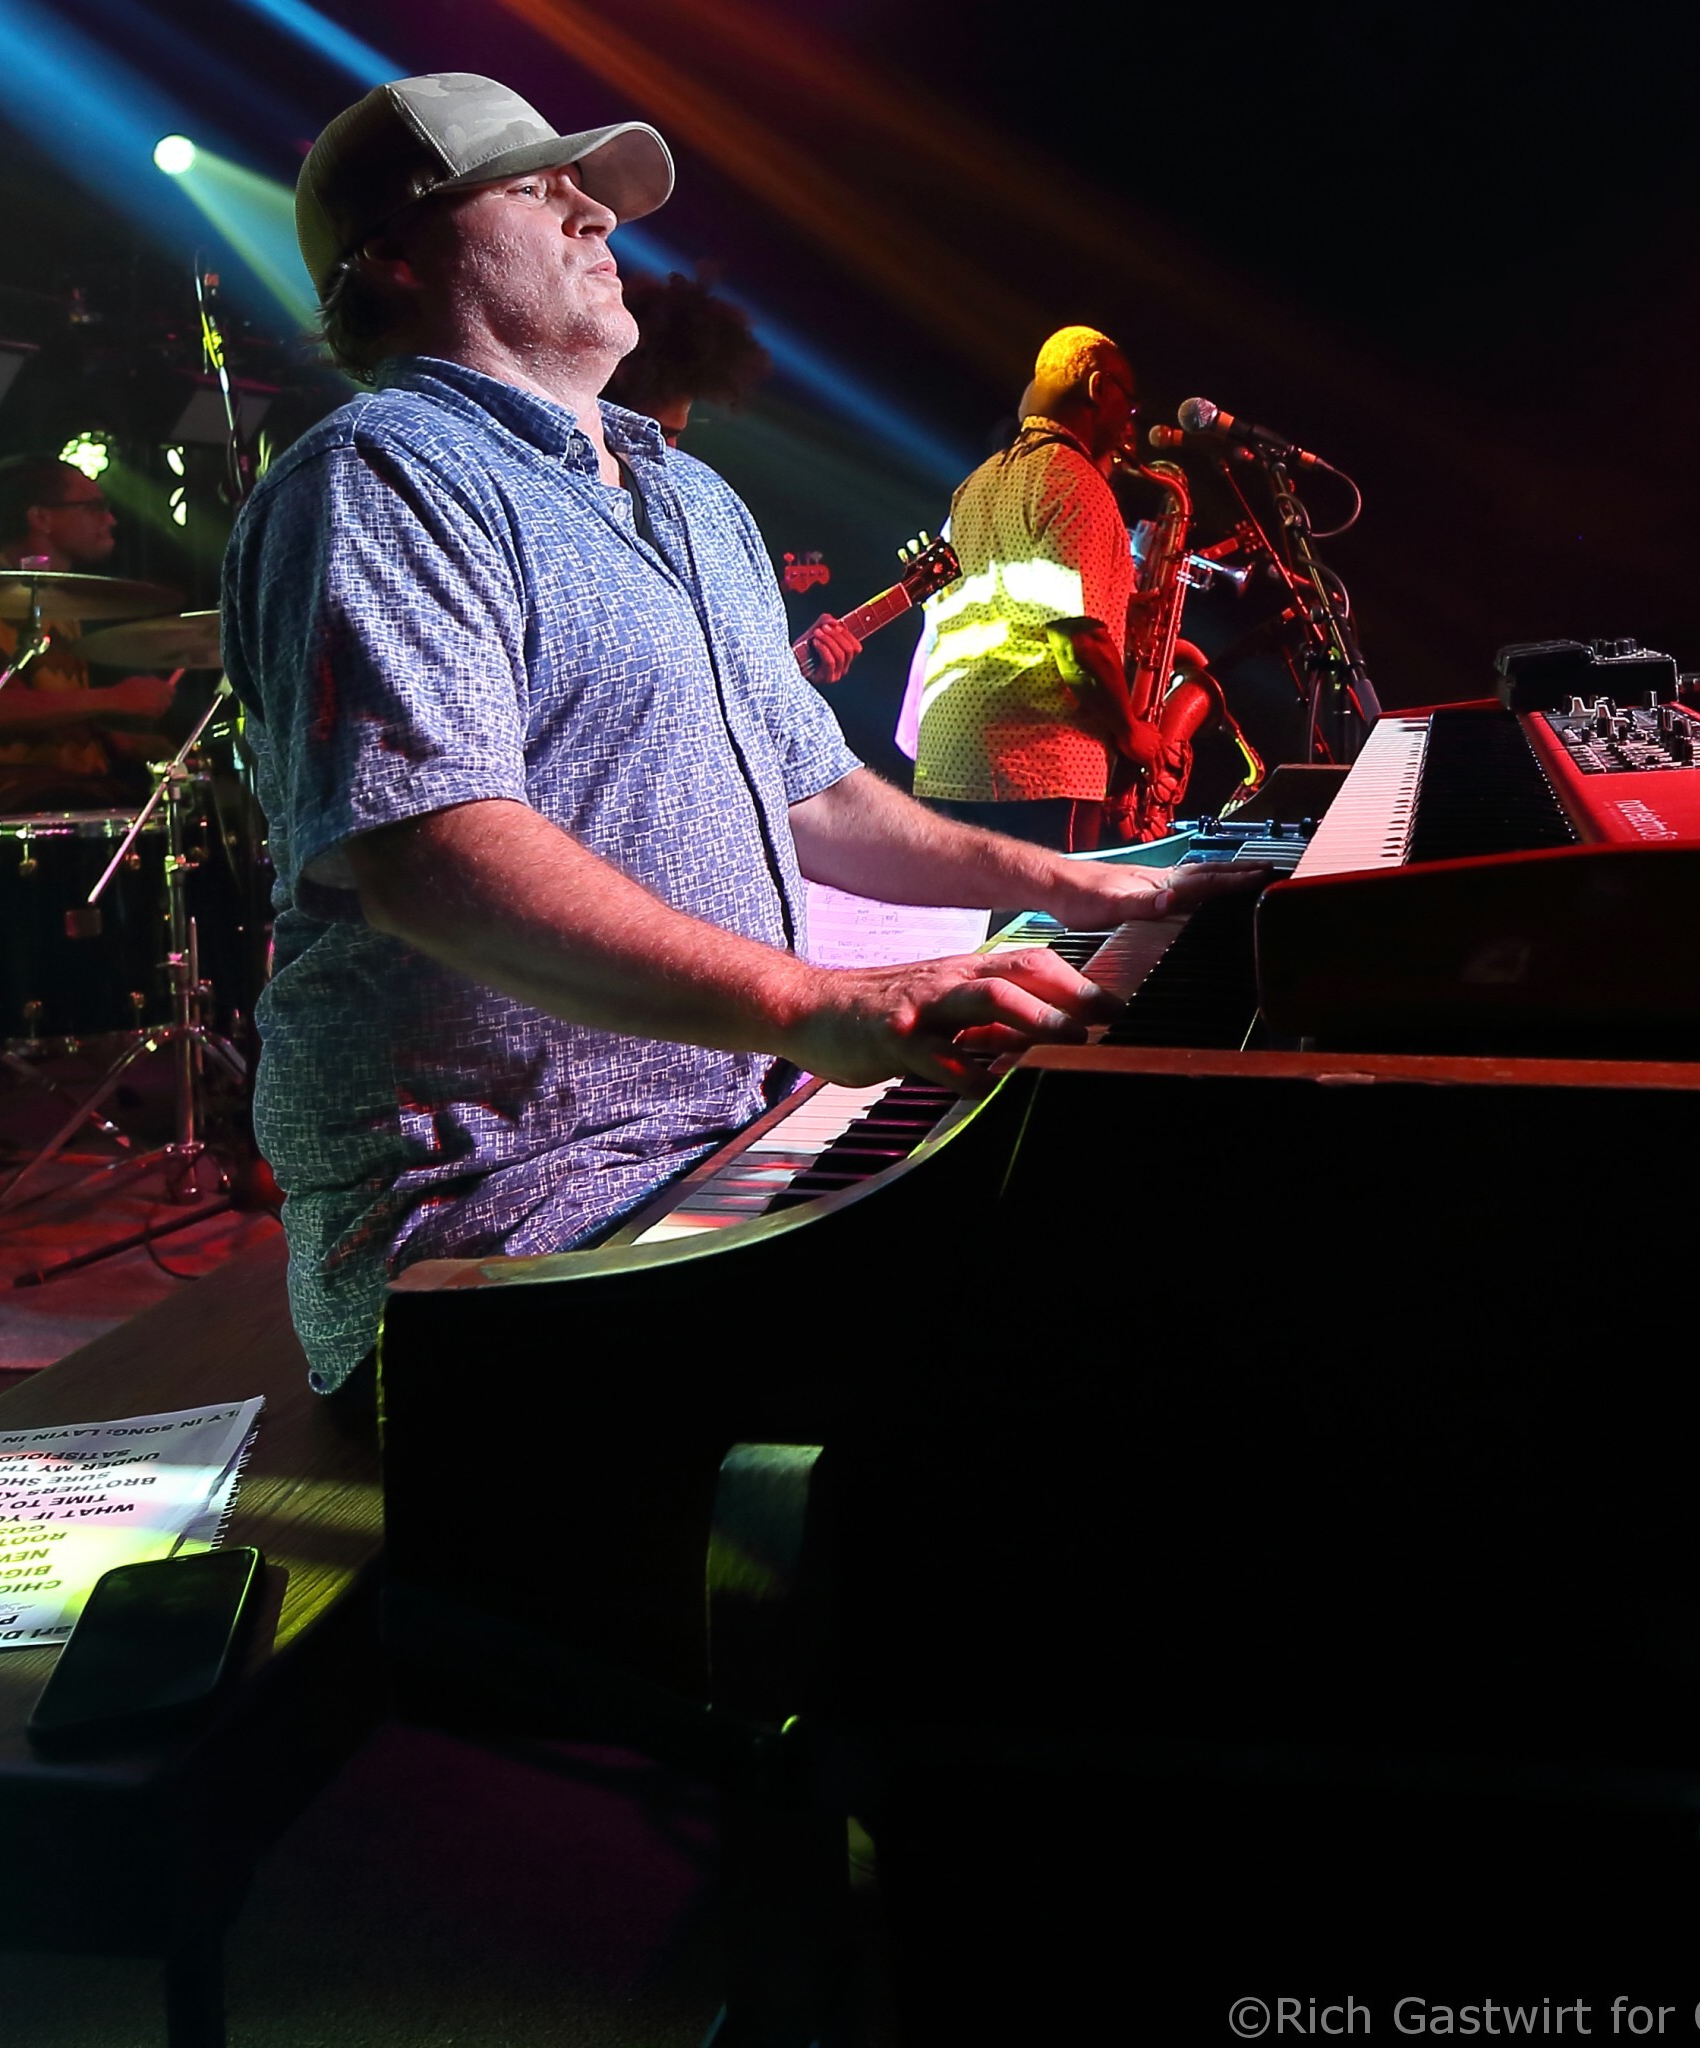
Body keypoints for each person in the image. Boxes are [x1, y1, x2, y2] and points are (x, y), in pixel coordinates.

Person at [223, 72, 1255, 1394]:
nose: (595, 215)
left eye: (588, 191)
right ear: (395, 257)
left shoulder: (692, 497)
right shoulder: (382, 474)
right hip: (518, 1213)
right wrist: (820, 1001)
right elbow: (429, 853)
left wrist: (1087, 885)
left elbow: (814, 791)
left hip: (745, 1135)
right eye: (534, 190)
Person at [906, 326, 1174, 853]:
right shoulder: (1077, 482)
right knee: (1054, 907)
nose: (1130, 424)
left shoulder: (976, 483)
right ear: (1099, 388)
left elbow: (1003, 602)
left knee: (973, 907)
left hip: (950, 754)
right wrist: (1129, 731)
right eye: (1129, 406)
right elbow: (1079, 640)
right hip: (1037, 763)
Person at [604, 269, 861, 685]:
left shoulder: (699, 512)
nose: (670, 453)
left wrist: (793, 672)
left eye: (676, 435)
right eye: (657, 433)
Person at [0, 455, 178, 811]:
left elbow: (42, 717)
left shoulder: (59, 604)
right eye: (95, 507)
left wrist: (116, 741)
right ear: (41, 518)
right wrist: (113, 698)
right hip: (10, 801)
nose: (110, 519)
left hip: (62, 792)